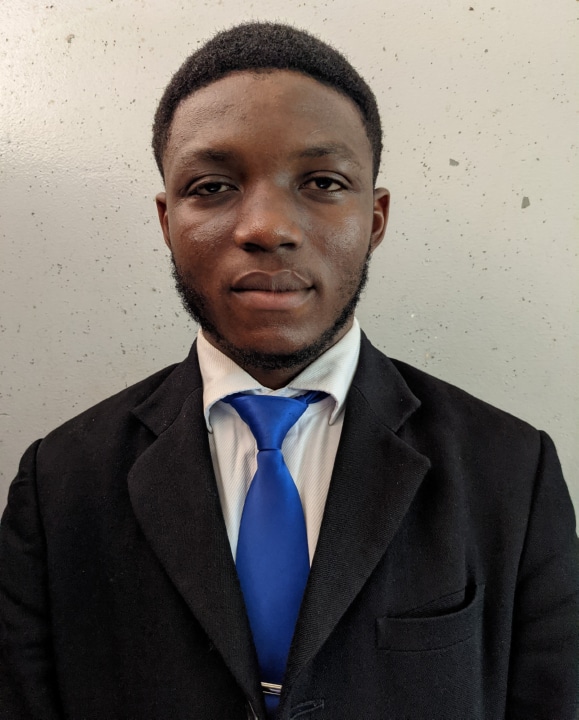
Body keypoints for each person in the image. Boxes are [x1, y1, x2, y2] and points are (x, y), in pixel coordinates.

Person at [0, 21, 577, 720]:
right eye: (212, 186)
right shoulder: (59, 484)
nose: (267, 227)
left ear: (375, 217)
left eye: (322, 182)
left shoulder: (511, 473)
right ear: (166, 220)